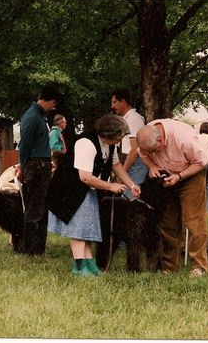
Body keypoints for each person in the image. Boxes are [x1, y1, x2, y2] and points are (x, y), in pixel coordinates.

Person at [47, 114, 140, 276]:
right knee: (78, 230)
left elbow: (116, 165)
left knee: (87, 228)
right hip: (70, 190)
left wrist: (131, 185)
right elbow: (85, 177)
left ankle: (90, 266)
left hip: (88, 190)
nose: (120, 141)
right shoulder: (86, 143)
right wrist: (111, 186)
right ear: (107, 134)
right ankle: (79, 268)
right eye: (119, 137)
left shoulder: (110, 145)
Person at [136, 119, 208, 276]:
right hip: (167, 176)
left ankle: (199, 266)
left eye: (155, 150)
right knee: (167, 221)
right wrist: (153, 166)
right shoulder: (147, 139)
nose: (153, 154)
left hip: (191, 174)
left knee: (193, 220)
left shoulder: (183, 138)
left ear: (161, 140)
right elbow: (143, 154)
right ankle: (170, 267)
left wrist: (180, 176)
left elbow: (201, 162)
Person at [17, 85, 62, 255]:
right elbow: (24, 145)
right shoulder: (32, 117)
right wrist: (22, 167)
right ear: (47, 100)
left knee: (40, 209)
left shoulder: (39, 116)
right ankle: (29, 249)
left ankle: (38, 248)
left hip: (41, 166)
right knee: (34, 210)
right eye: (53, 103)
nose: (53, 107)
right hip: (35, 167)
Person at [111, 89, 148, 199]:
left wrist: (123, 173)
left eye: (114, 102)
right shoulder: (126, 119)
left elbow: (134, 149)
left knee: (129, 197)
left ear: (123, 101)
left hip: (137, 163)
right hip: (130, 161)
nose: (112, 106)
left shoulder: (133, 118)